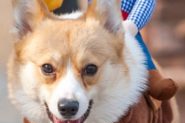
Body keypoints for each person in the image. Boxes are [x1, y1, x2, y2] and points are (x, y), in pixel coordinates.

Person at [45, 0, 178, 100]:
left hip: (126, 25)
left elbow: (145, 4)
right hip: (96, 22)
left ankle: (154, 78)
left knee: (139, 48)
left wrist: (132, 25)